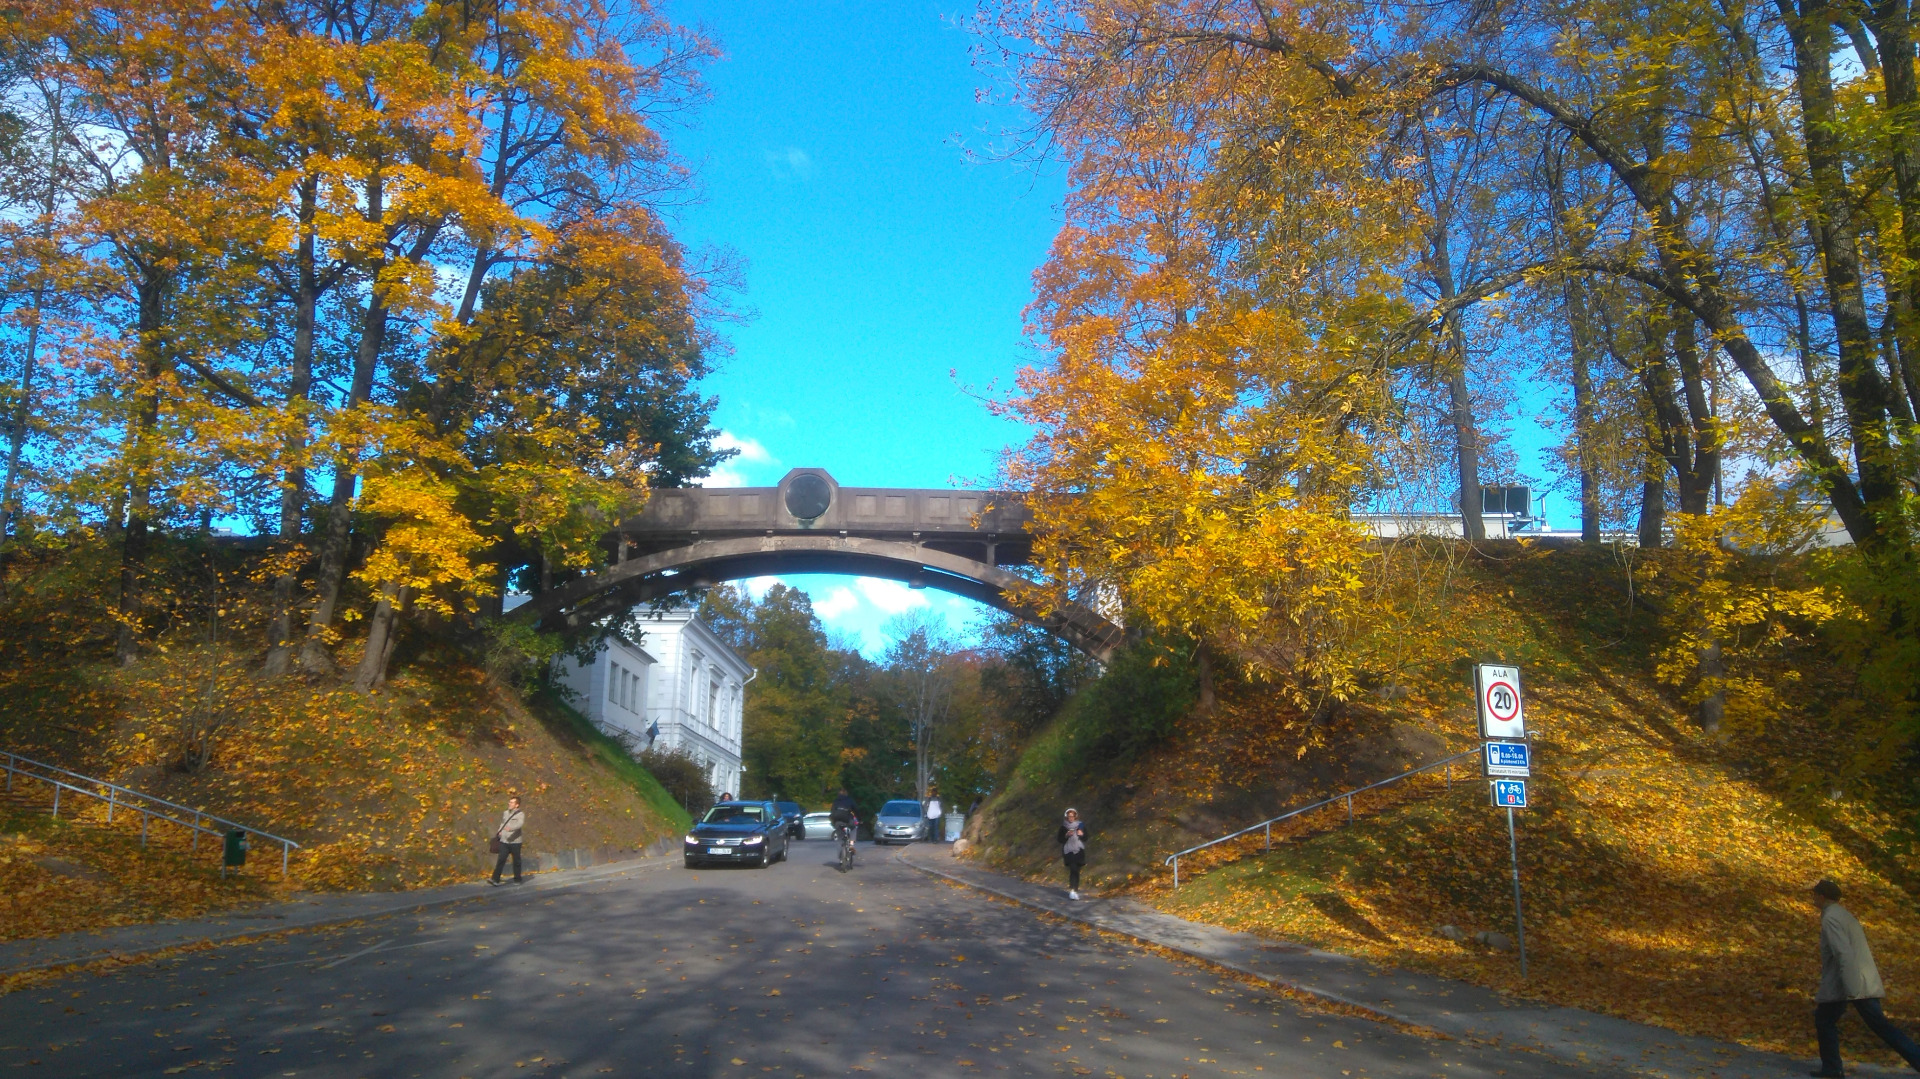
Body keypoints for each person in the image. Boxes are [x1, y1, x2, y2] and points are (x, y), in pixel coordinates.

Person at [1810, 878, 1920, 1076]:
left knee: (1873, 1026)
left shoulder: (1831, 918)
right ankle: (1832, 1068)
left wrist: (1852, 988)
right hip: (1853, 980)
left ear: (1821, 896)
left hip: (1850, 982)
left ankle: (1833, 1069)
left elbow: (1843, 953)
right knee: (1830, 1020)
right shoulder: (1843, 915)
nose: (1813, 898)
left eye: (1814, 894)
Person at [490, 796, 526, 885]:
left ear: (517, 805)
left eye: (512, 802)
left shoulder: (520, 814)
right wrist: (499, 832)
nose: (509, 803)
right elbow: (502, 823)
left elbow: (520, 824)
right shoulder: (505, 813)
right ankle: (495, 879)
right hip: (504, 841)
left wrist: (511, 828)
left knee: (516, 861)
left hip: (515, 842)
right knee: (501, 859)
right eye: (509, 802)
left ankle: (517, 879)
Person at [1058, 808, 1088, 900]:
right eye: (1069, 816)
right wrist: (1066, 835)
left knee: (1077, 871)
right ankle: (1072, 890)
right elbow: (1059, 839)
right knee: (1073, 869)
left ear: (1075, 817)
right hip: (1068, 851)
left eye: (1072, 816)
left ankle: (1075, 890)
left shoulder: (1080, 825)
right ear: (1066, 817)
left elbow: (1086, 838)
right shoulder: (1063, 827)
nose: (1071, 818)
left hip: (1078, 850)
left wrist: (1081, 834)